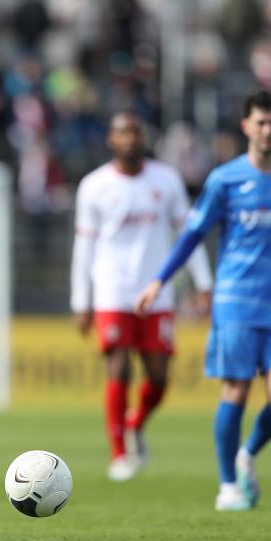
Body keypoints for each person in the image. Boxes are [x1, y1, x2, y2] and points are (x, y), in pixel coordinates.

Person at [137, 91, 271, 511]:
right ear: (246, 125)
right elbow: (193, 235)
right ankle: (228, 484)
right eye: (262, 122)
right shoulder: (225, 179)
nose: (268, 130)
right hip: (237, 301)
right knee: (235, 390)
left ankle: (246, 452)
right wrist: (160, 281)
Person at [71, 111, 213, 482]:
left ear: (143, 138)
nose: (129, 140)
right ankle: (119, 453)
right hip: (111, 290)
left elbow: (189, 235)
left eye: (135, 132)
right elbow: (83, 247)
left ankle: (135, 423)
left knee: (160, 377)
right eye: (122, 133)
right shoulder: (94, 185)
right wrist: (80, 301)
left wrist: (203, 282)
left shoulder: (166, 180)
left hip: (156, 291)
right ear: (111, 139)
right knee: (118, 364)